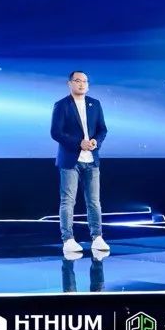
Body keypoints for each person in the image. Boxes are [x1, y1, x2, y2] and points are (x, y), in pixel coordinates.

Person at [50, 71, 110, 255]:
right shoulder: (62, 105)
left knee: (94, 202)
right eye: (77, 81)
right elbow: (55, 132)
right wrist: (78, 143)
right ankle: (68, 239)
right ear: (70, 83)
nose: (81, 84)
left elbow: (102, 129)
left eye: (85, 81)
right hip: (70, 160)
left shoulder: (95, 104)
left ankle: (97, 237)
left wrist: (96, 142)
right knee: (68, 201)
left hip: (91, 160)